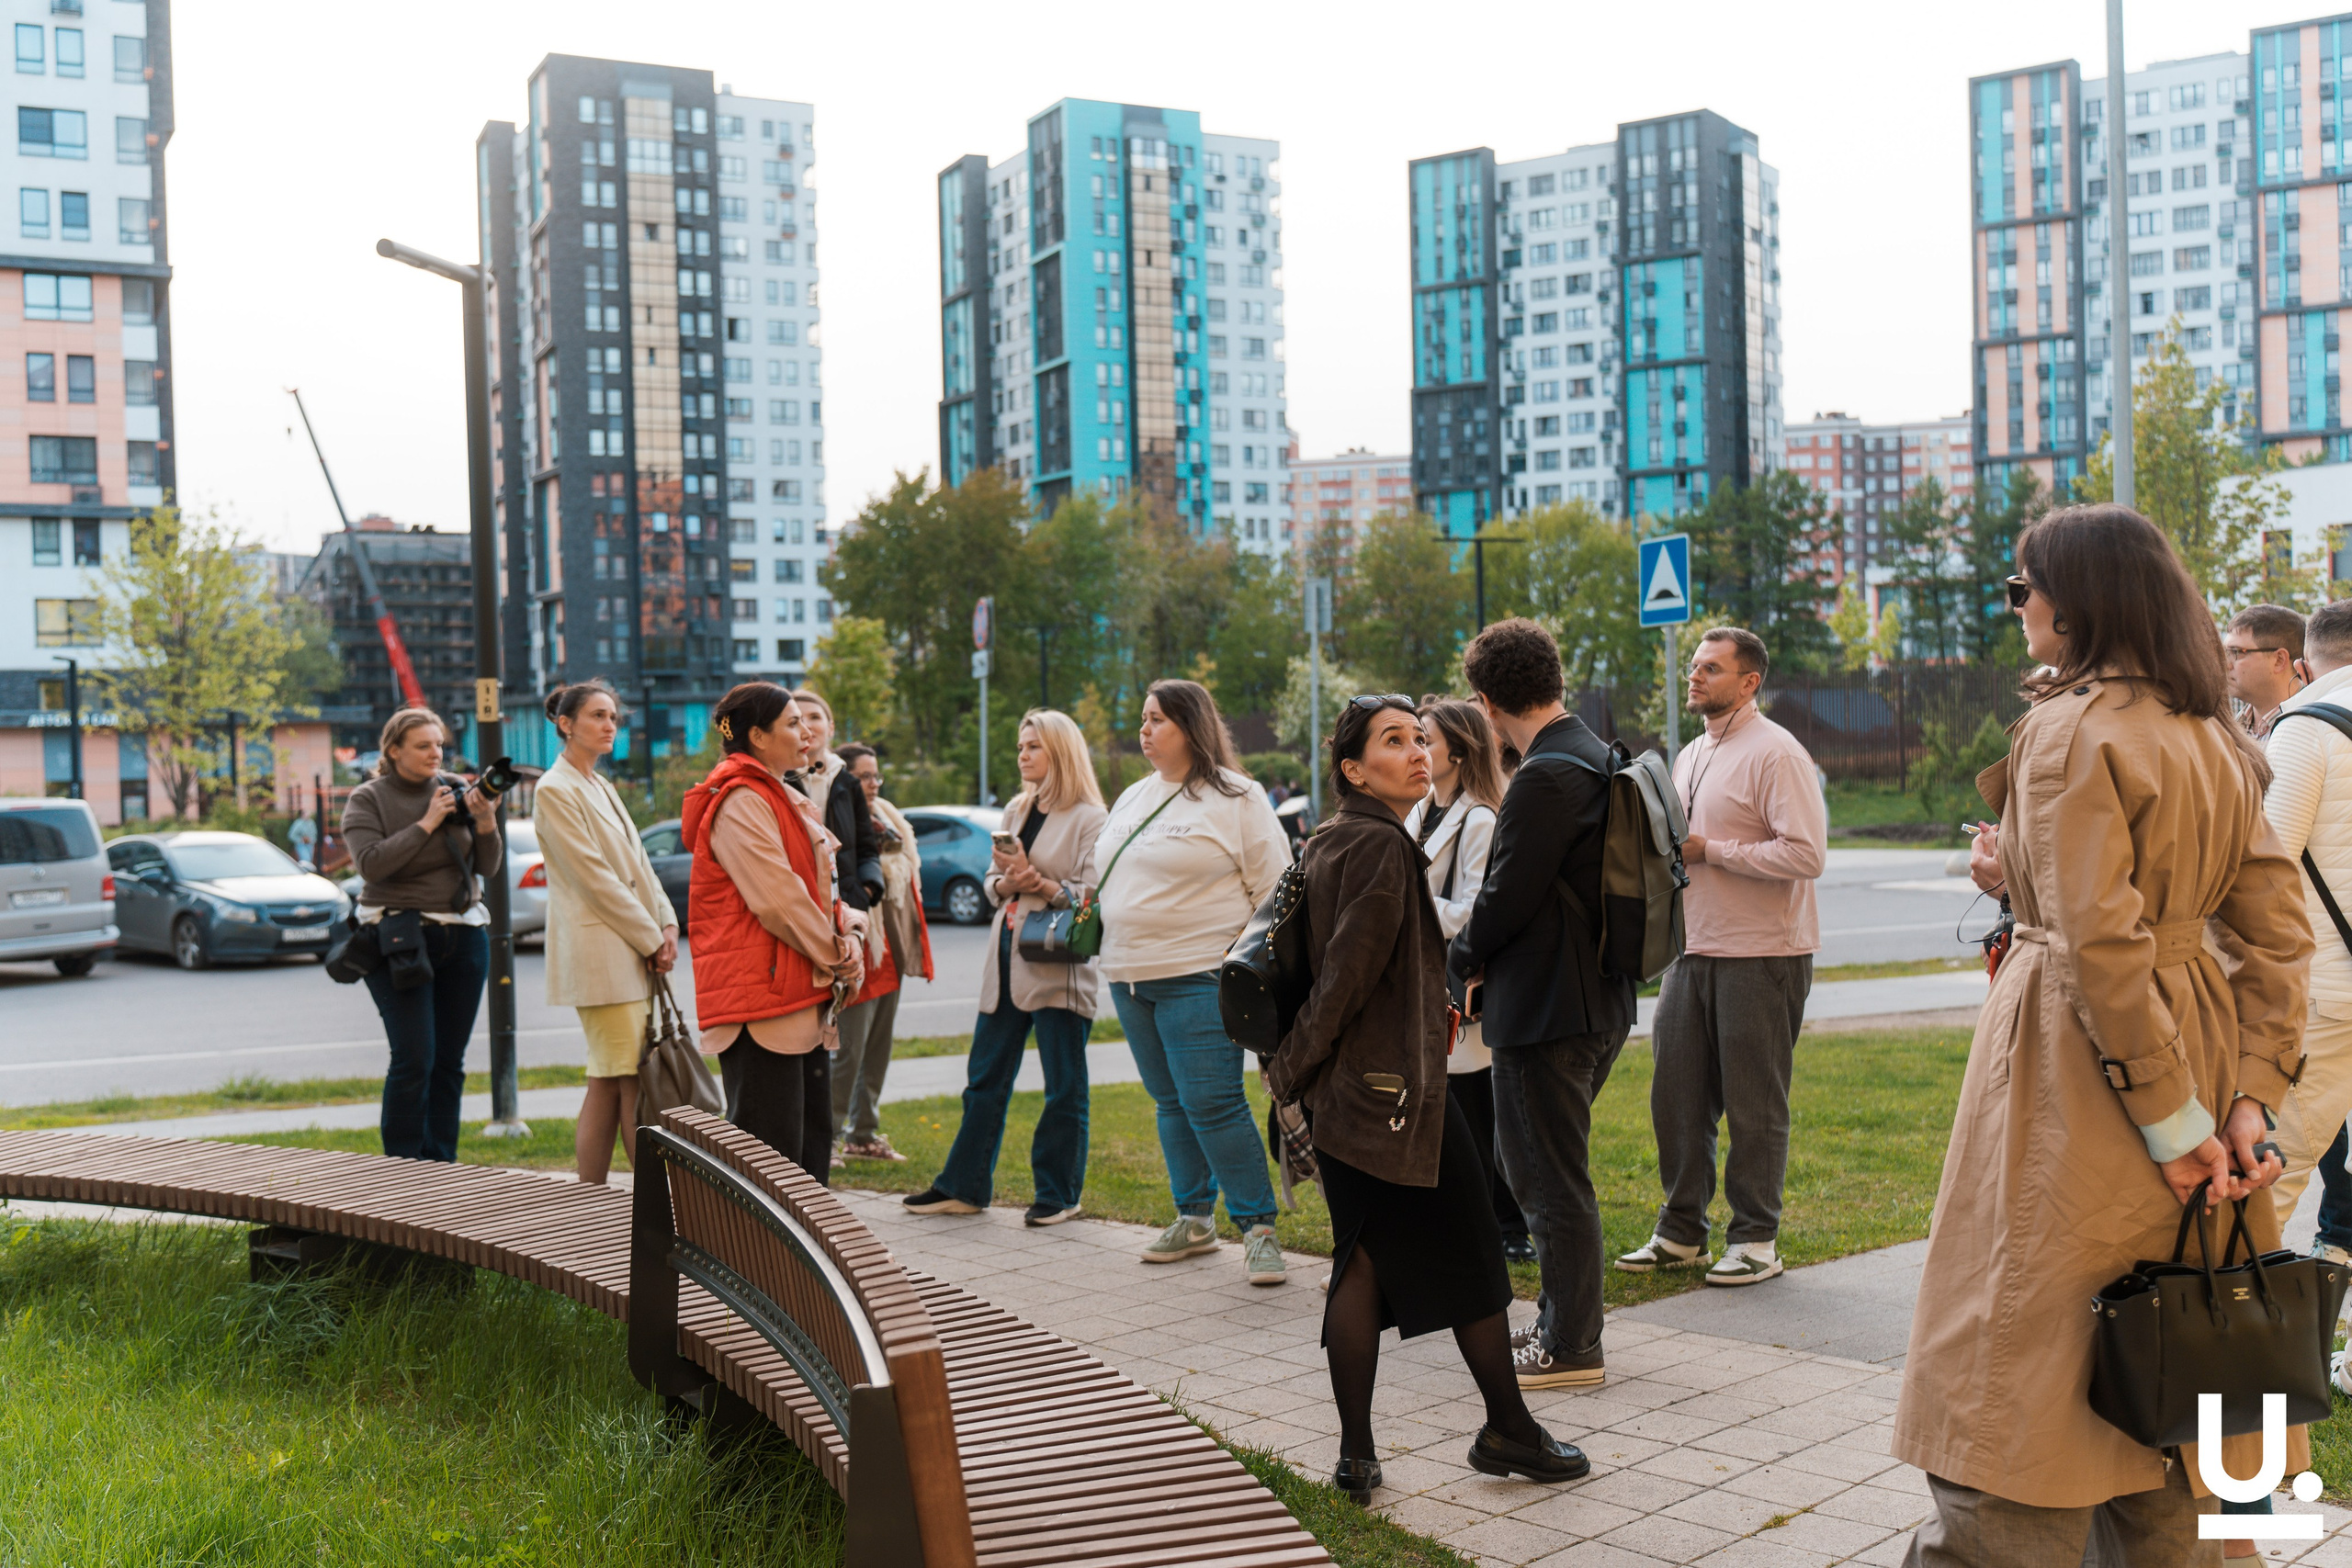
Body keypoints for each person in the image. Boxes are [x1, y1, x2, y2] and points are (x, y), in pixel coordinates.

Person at [1893, 504, 2312, 1564]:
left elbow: (2096, 944)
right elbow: (2276, 936)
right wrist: (2246, 1103)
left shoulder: (2072, 728)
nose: (2016, 606)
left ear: (2076, 600)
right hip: (2196, 1053)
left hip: (2078, 1059)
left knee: (2024, 1352)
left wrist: (2174, 1127)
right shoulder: (2212, 732)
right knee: (2188, 1361)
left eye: (2022, 586)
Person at [1269, 695, 1589, 1505]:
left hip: (1354, 1094)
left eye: (1419, 737)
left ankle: (1358, 1455)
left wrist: (1308, 1071)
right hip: (1396, 1099)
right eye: (1393, 740)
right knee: (1476, 1257)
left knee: (1362, 1261)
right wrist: (1290, 1068)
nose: (1417, 751)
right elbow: (1346, 976)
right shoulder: (1383, 847)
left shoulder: (1332, 837)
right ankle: (1507, 1428)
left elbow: (1356, 969)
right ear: (1353, 769)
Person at [1446, 618, 1634, 1389]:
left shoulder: (1544, 776)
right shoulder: (1592, 752)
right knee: (1544, 1168)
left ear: (1487, 703)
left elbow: (1502, 900)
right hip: (1593, 997)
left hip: (1550, 1008)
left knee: (1547, 1179)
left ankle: (1572, 1345)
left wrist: (1458, 960)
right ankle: (1562, 1319)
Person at [1618, 627, 1826, 1287]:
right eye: (1695, 666)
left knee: (1753, 1102)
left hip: (1762, 953)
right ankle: (1681, 1233)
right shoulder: (1690, 753)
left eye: (1711, 668)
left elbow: (1806, 854)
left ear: (1749, 681)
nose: (1696, 675)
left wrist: (1713, 851)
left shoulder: (1777, 752)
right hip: (1691, 948)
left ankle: (1756, 1238)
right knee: (1676, 1098)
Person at [1100, 678, 1293, 1284]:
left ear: (1191, 726)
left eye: (1157, 719)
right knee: (1170, 1102)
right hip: (1129, 976)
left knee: (1212, 1103)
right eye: (1142, 718)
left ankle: (1258, 1229)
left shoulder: (1236, 796)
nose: (1144, 730)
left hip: (1199, 974)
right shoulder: (1134, 795)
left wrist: (1251, 965)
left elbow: (1278, 889)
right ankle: (1194, 1217)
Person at [904, 710, 1108, 1224]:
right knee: (984, 1079)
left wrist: (1038, 883)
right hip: (1006, 957)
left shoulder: (1090, 817)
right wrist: (1007, 883)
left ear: (1059, 751)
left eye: (1033, 746)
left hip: (1056, 961)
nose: (1022, 755)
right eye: (1020, 746)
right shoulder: (1018, 808)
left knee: (1063, 1087)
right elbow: (992, 882)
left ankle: (1059, 1194)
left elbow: (1091, 897)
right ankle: (963, 1187)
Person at [684, 682, 865, 1180]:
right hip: (763, 1001)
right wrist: (838, 955)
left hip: (793, 992)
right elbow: (779, 901)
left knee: (807, 1152)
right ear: (758, 737)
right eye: (792, 723)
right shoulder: (742, 800)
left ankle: (805, 1239)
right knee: (771, 1161)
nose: (807, 732)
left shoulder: (778, 793)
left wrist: (849, 927)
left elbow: (816, 887)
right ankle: (757, 1243)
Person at [532, 680, 680, 1185]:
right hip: (602, 953)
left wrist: (666, 922)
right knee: (627, 1080)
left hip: (629, 949)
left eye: (613, 716)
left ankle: (594, 1197)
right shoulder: (555, 788)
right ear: (566, 724)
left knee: (613, 1078)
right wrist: (651, 937)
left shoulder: (601, 785)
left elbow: (640, 865)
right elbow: (593, 878)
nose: (610, 725)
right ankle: (648, 1203)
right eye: (597, 715)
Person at [342, 707, 503, 1161]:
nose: (436, 754)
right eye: (423, 745)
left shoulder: (455, 788)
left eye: (439, 745)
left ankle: (440, 1165)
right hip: (400, 938)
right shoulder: (368, 799)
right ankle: (403, 1167)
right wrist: (427, 823)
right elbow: (371, 865)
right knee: (414, 1058)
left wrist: (486, 822)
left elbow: (487, 867)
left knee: (449, 1062)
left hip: (464, 936)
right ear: (394, 751)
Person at [1402, 698, 1532, 1263]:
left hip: (1460, 985)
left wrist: (1408, 901)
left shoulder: (1479, 818)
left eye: (1424, 740)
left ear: (1457, 752)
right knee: (1451, 1109)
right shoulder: (1420, 811)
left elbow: (1476, 910)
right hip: (1425, 980)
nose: (1416, 751)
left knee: (1477, 1113)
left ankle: (1508, 1227)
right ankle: (1473, 1220)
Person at [2257, 599, 2352, 1258]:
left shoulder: (2305, 727)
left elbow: (2267, 866)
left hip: (2329, 987)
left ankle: (2232, 1302)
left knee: (2276, 1165)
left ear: (2303, 665)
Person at [831, 741, 932, 1161]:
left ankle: (864, 1133)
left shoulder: (890, 818)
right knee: (848, 1053)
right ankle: (828, 1136)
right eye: (863, 776)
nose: (873, 784)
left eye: (876, 776)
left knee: (877, 1051)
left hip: (889, 949)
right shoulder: (841, 820)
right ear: (845, 781)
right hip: (861, 948)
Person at [2223, 602, 2309, 739]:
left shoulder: (2311, 729)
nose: (2227, 664)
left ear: (2279, 660)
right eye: (2226, 652)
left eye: (2236, 652)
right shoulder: (2231, 729)